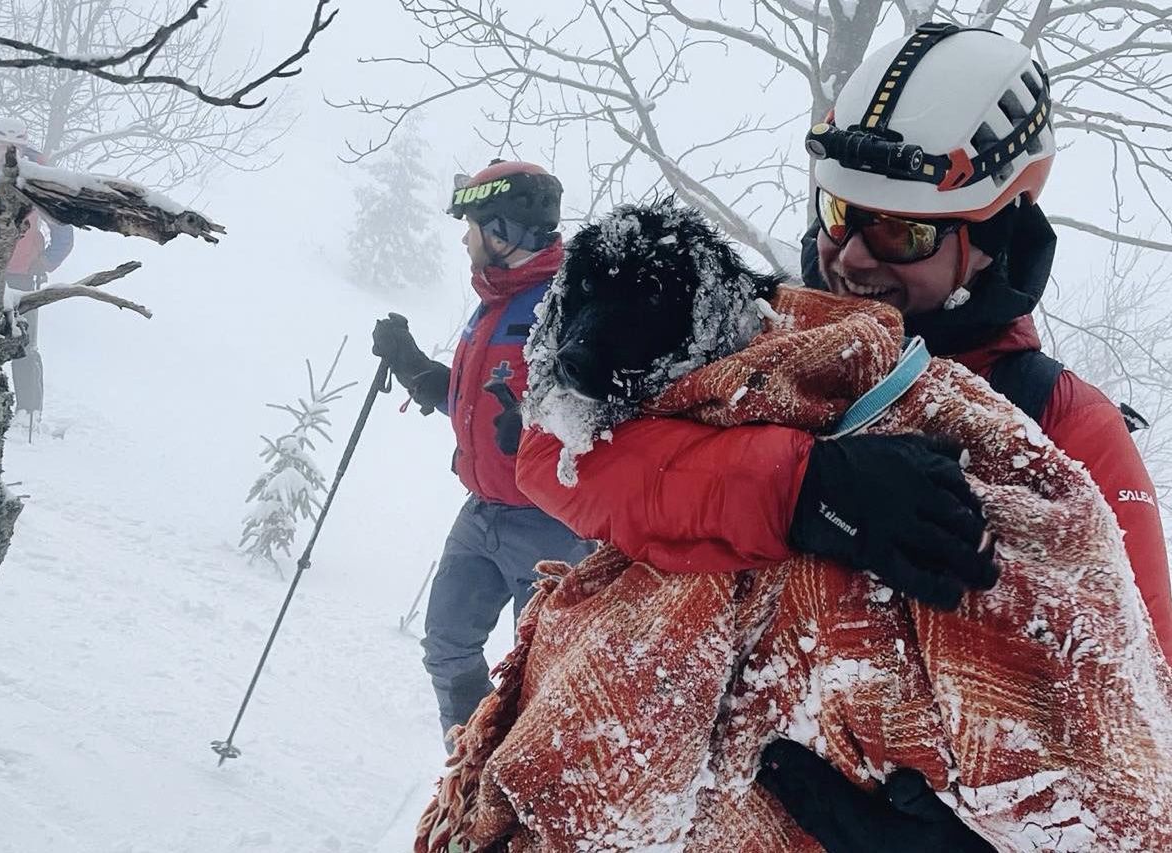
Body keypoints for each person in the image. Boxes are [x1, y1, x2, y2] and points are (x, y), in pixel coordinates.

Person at [515, 22, 1172, 852]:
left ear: (997, 239)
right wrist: (798, 488)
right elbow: (554, 454)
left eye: (902, 232)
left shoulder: (1063, 428)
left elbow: (1139, 722)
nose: (849, 254)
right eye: (839, 213)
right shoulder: (768, 344)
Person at [371, 159, 593, 750]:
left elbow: (609, 417)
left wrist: (538, 430)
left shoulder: (566, 308)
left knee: (546, 679)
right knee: (445, 643)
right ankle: (471, 751)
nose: (464, 236)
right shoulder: (495, 300)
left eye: (471, 223)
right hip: (482, 512)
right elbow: (481, 400)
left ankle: (521, 793)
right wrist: (417, 368)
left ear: (503, 231)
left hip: (552, 527)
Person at [0, 117, 75, 420]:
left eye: (14, 145)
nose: (7, 150)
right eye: (2, 144)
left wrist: (47, 261)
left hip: (20, 276)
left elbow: (64, 231)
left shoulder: (36, 183)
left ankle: (29, 412)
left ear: (23, 147)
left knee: (24, 346)